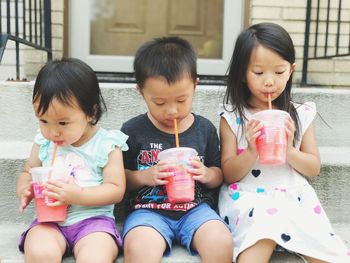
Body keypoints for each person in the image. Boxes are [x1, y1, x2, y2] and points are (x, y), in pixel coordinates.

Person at [218, 22, 350, 263]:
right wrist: (250, 150)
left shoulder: (299, 114)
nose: (270, 82)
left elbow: (313, 168)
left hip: (293, 196)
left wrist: (288, 150)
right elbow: (228, 174)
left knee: (328, 254)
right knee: (259, 240)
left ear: (291, 70)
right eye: (258, 73)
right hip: (248, 198)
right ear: (242, 74)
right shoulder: (232, 117)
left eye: (279, 72)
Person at [121, 36, 233, 263]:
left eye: (182, 100)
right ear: (141, 92)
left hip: (196, 210)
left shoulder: (204, 129)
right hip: (148, 212)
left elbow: (219, 174)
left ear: (195, 85)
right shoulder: (133, 131)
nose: (172, 111)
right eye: (160, 103)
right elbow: (119, 178)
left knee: (221, 241)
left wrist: (207, 173)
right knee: (139, 248)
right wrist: (144, 176)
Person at [16, 58, 128, 262]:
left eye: (63, 122)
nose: (52, 131)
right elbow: (28, 170)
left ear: (90, 112)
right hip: (48, 221)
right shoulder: (44, 142)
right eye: (43, 120)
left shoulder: (107, 144)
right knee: (40, 253)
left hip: (93, 222)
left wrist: (78, 195)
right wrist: (25, 188)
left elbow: (116, 189)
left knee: (94, 257)